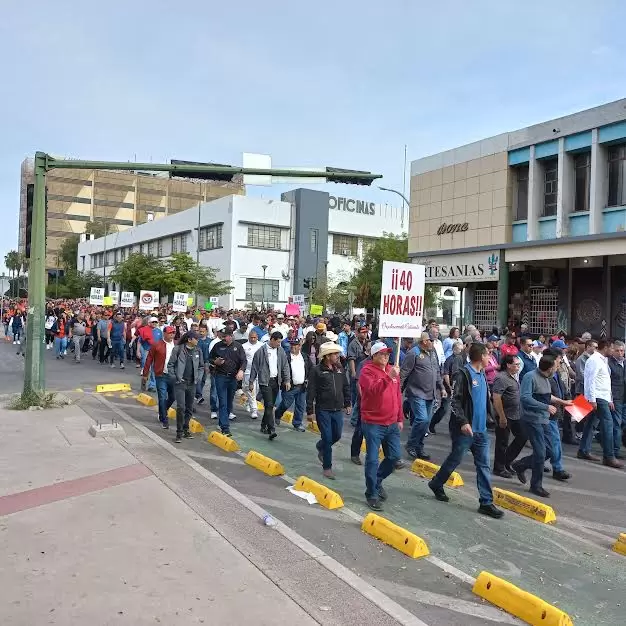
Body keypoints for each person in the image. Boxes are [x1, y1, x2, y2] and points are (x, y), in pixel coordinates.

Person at [427, 343, 504, 519]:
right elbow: (455, 401)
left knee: (483, 465)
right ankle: (437, 483)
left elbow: (484, 399)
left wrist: (492, 417)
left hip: (481, 430)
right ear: (481, 356)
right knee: (455, 459)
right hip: (465, 430)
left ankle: (486, 502)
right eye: (488, 355)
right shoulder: (463, 374)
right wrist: (463, 422)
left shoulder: (483, 374)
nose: (490, 358)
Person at [511, 354, 571, 497]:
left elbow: (546, 396)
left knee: (550, 451)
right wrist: (545, 407)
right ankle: (536, 485)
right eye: (556, 366)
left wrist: (562, 402)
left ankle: (521, 465)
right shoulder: (530, 377)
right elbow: (525, 398)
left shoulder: (546, 378)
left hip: (544, 419)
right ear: (549, 368)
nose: (558, 368)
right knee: (540, 452)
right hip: (532, 420)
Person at [358, 342, 403, 511]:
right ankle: (371, 493)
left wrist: (399, 417)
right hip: (373, 423)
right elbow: (372, 391)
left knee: (394, 457)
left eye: (387, 354)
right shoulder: (367, 371)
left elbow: (397, 395)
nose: (386, 356)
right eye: (382, 354)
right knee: (372, 459)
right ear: (374, 355)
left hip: (391, 422)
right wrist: (387, 377)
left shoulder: (393, 371)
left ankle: (376, 481)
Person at [306, 341, 351, 479]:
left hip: (337, 409)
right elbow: (311, 391)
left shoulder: (340, 368)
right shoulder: (317, 370)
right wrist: (310, 411)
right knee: (327, 437)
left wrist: (348, 403)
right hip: (323, 409)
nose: (337, 356)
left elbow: (346, 386)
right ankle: (327, 467)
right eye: (335, 353)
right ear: (327, 356)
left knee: (336, 435)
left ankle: (321, 447)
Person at [578, 340, 623, 468]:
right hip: (597, 397)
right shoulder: (594, 360)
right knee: (607, 425)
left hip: (602, 396)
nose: (614, 351)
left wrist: (609, 399)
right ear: (607, 348)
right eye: (613, 348)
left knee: (591, 424)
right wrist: (591, 399)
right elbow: (589, 380)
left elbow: (604, 381)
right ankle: (609, 456)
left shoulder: (603, 360)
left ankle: (583, 450)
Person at [400, 332, 445, 461]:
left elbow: (436, 372)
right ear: (424, 341)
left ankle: (419, 447)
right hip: (416, 392)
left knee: (426, 422)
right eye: (430, 340)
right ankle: (411, 444)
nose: (432, 342)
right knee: (422, 419)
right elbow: (404, 372)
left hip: (430, 393)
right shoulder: (413, 353)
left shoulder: (433, 352)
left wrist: (441, 388)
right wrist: (398, 389)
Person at [249, 331, 291, 440]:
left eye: (280, 342)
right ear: (272, 339)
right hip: (265, 382)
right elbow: (254, 367)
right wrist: (251, 382)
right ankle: (271, 429)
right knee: (268, 405)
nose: (279, 344)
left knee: (270, 405)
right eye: (278, 342)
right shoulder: (261, 351)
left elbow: (285, 365)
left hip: (276, 381)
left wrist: (287, 380)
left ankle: (263, 425)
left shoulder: (280, 350)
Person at [168, 331, 204, 443]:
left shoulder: (198, 350)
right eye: (196, 338)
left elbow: (201, 366)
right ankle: (179, 433)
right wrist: (175, 378)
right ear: (189, 339)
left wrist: (198, 377)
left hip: (192, 383)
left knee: (189, 408)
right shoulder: (178, 349)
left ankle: (186, 429)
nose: (198, 340)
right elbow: (170, 365)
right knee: (181, 407)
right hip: (180, 383)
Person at [491, 355, 524, 477]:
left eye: (518, 365)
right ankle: (499, 468)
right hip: (505, 415)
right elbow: (496, 398)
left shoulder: (514, 376)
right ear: (508, 365)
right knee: (502, 442)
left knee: (522, 436)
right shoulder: (501, 378)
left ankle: (507, 461)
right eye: (516, 364)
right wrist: (502, 416)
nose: (518, 367)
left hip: (516, 414)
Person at [209, 328, 247, 436]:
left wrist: (241, 371)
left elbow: (244, 361)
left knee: (229, 401)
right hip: (220, 376)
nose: (223, 338)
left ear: (231, 336)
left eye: (225, 336)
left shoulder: (238, 347)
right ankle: (225, 428)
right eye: (222, 336)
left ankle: (222, 422)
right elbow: (210, 358)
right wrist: (215, 362)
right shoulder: (217, 346)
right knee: (222, 401)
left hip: (233, 378)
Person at [143, 326, 176, 429]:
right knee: (162, 397)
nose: (172, 335)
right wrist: (145, 374)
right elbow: (149, 359)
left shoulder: (177, 345)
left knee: (173, 397)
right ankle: (164, 419)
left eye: (173, 333)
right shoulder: (157, 345)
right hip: (161, 375)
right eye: (170, 333)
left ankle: (163, 411)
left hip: (173, 376)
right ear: (164, 334)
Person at [275, 337, 310, 432]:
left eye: (295, 345)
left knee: (300, 406)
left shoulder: (305, 356)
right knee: (286, 404)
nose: (292, 347)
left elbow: (310, 369)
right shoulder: (286, 356)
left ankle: (297, 424)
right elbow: (281, 370)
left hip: (302, 386)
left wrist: (308, 379)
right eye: (291, 345)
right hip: (290, 386)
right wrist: (285, 381)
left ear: (299, 346)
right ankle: (278, 414)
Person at [608, 340, 625, 460]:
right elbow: (607, 383)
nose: (620, 353)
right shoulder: (608, 363)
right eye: (618, 350)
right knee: (616, 424)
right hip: (616, 397)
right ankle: (615, 450)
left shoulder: (624, 362)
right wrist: (610, 398)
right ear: (613, 351)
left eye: (622, 351)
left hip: (624, 397)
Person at [242, 330, 262, 419]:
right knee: (251, 391)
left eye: (255, 337)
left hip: (259, 372)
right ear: (248, 337)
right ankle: (254, 410)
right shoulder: (244, 346)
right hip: (248, 372)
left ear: (257, 337)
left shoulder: (261, 346)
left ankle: (248, 402)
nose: (253, 339)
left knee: (256, 391)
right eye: (251, 337)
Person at [195, 325, 211, 405]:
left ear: (206, 332)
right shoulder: (196, 340)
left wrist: (208, 364)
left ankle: (198, 394)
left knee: (203, 380)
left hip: (206, 363)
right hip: (198, 364)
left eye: (203, 331)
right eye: (200, 331)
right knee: (198, 380)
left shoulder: (210, 341)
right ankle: (198, 395)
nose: (201, 333)